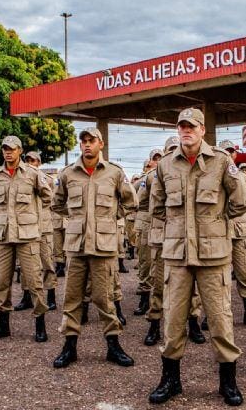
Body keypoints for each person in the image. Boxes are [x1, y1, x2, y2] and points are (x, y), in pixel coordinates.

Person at [148, 108, 246, 406]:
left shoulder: (221, 161)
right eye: (182, 126)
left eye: (191, 126)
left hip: (213, 255)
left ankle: (227, 382)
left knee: (220, 319)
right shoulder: (166, 165)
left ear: (203, 130)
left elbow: (242, 201)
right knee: (173, 319)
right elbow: (157, 207)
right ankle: (171, 380)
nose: (186, 131)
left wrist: (216, 222)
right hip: (178, 255)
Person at [51, 127, 136, 369]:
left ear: (101, 144)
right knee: (72, 299)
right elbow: (57, 203)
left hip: (104, 246)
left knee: (105, 298)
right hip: (77, 247)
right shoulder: (68, 174)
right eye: (83, 141)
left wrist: (110, 218)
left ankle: (113, 346)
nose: (87, 145)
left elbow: (131, 202)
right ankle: (69, 348)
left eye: (92, 141)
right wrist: (77, 218)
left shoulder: (114, 173)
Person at [0, 136, 52, 342]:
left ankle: (40, 324)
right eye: (5, 148)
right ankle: (2, 324)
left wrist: (32, 218)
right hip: (4, 236)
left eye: (12, 149)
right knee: (2, 282)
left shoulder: (32, 174)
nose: (8, 152)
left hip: (27, 236)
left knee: (34, 281)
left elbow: (47, 196)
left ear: (20, 151)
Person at [142, 136, 206, 347]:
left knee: (192, 286)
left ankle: (193, 322)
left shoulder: (197, 170)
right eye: (166, 150)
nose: (170, 153)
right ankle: (154, 324)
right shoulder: (156, 174)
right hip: (163, 238)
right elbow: (147, 205)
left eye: (172, 149)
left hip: (189, 238)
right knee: (159, 284)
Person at [219, 139, 246, 328]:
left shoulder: (243, 177)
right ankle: (214, 315)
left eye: (231, 151)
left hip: (239, 231)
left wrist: (226, 215)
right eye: (224, 150)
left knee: (244, 273)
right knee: (218, 277)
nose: (228, 153)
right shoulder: (214, 174)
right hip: (219, 233)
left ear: (235, 155)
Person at [14, 150, 59, 312]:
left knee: (47, 262)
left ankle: (51, 296)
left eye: (34, 160)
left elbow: (52, 200)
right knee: (26, 265)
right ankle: (27, 296)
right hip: (27, 229)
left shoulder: (48, 180)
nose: (30, 162)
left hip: (44, 227)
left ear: (39, 163)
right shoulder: (20, 180)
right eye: (27, 160)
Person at [133, 149, 163, 316]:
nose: (158, 161)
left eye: (161, 157)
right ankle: (144, 299)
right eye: (155, 158)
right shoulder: (148, 177)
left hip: (166, 224)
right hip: (148, 224)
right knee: (146, 262)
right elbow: (136, 199)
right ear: (150, 162)